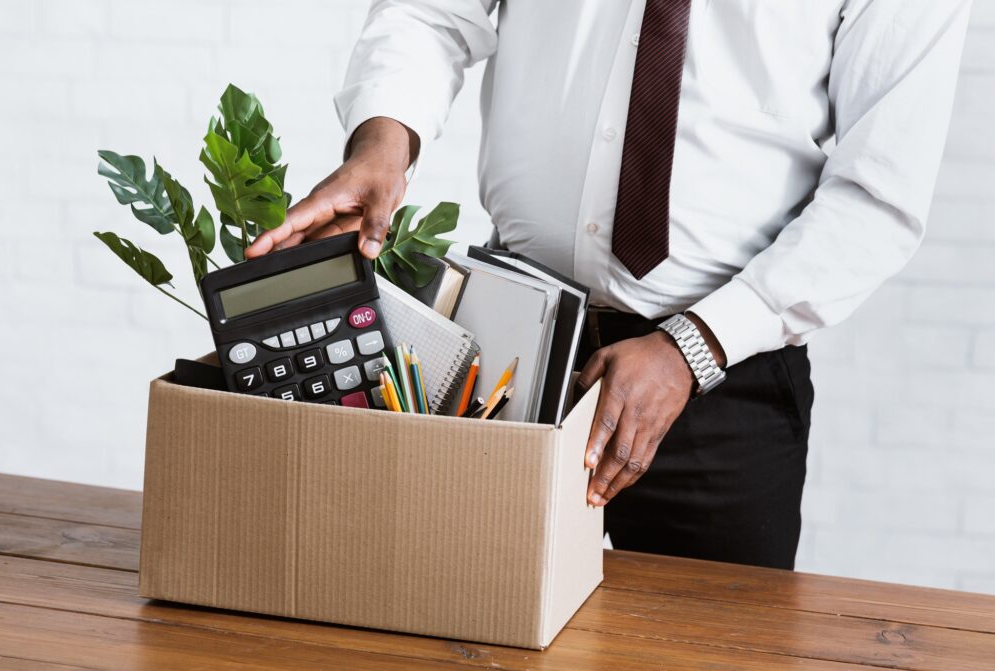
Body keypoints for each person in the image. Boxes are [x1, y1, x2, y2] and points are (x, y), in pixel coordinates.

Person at [245, 0, 972, 569]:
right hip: (513, 352)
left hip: (722, 382)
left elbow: (878, 194)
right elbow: (430, 11)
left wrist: (692, 348)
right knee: (464, 627)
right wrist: (381, 146)